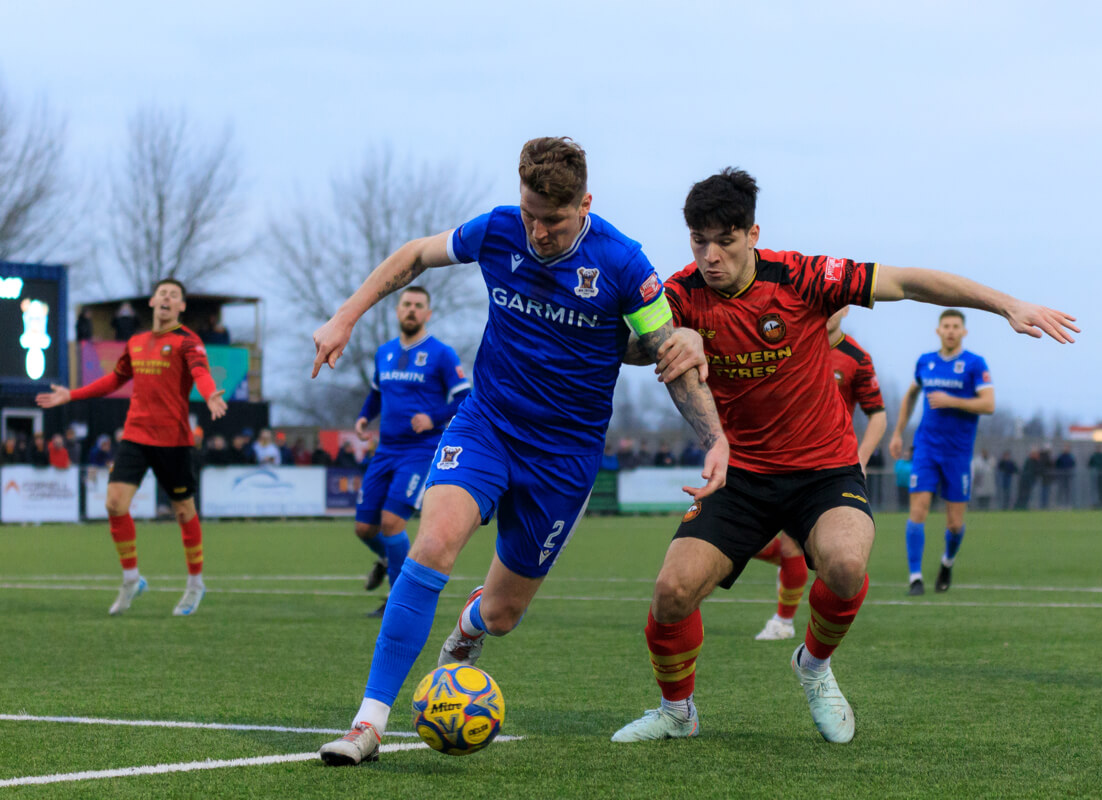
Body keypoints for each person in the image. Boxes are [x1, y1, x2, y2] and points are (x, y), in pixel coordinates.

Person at [610, 167, 1076, 746]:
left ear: (752, 234)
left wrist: (1006, 304)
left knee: (847, 564)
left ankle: (813, 665)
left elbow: (907, 282)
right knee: (672, 593)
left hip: (823, 470)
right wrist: (671, 338)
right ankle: (678, 711)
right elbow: (628, 344)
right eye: (698, 241)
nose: (711, 256)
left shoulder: (804, 276)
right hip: (742, 474)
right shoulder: (680, 294)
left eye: (725, 241)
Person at [313, 137, 727, 767]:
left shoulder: (623, 264)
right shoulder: (500, 230)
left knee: (502, 614)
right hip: (487, 424)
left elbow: (663, 354)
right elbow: (417, 254)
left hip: (563, 458)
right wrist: (345, 316)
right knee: (432, 546)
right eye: (529, 213)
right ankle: (368, 724)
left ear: (585, 203)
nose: (537, 231)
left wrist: (714, 437)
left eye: (553, 220)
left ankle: (467, 630)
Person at [37, 278, 227, 617]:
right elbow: (115, 380)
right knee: (114, 503)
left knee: (183, 511)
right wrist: (72, 393)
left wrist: (209, 392)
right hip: (136, 437)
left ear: (181, 306)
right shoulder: (137, 342)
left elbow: (201, 373)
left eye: (174, 296)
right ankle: (131, 579)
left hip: (174, 440)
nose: (167, 299)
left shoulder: (188, 341)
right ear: (153, 302)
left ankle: (196, 584)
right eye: (162, 294)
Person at [750, 305, 887, 642]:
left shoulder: (856, 357)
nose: (826, 312)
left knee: (793, 545)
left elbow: (878, 415)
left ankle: (784, 621)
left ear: (847, 309)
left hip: (827, 468)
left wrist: (861, 458)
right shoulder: (788, 345)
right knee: (750, 541)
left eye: (834, 305)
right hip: (775, 459)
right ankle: (795, 568)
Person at [352, 286, 471, 617]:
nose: (412, 310)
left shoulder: (441, 354)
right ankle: (387, 559)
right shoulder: (384, 353)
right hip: (385, 451)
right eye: (406, 305)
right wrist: (364, 416)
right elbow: (377, 393)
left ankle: (397, 601)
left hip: (420, 451)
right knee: (364, 528)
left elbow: (464, 396)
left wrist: (432, 417)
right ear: (397, 311)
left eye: (419, 306)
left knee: (392, 522)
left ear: (428, 314)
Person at [889, 310, 994, 596]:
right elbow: (911, 394)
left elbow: (988, 404)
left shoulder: (974, 364)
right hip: (926, 448)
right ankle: (915, 578)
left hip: (958, 454)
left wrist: (951, 400)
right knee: (918, 510)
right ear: (938, 331)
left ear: (964, 332)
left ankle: (947, 562)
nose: (950, 331)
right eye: (946, 326)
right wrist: (898, 431)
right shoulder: (926, 362)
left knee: (955, 523)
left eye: (955, 327)